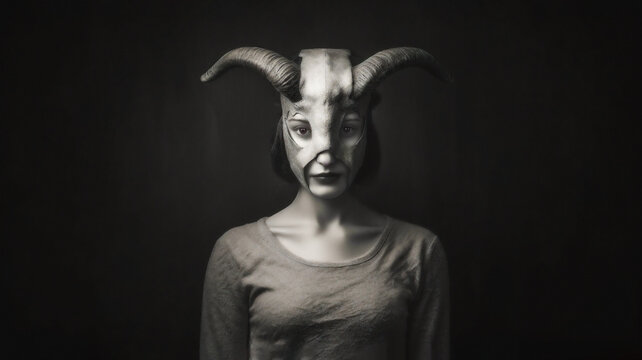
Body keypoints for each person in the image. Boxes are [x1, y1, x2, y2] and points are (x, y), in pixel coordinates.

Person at [199, 47, 451, 360]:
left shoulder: (419, 251)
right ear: (284, 130)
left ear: (365, 131)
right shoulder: (236, 252)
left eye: (347, 129)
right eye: (303, 130)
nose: (327, 154)